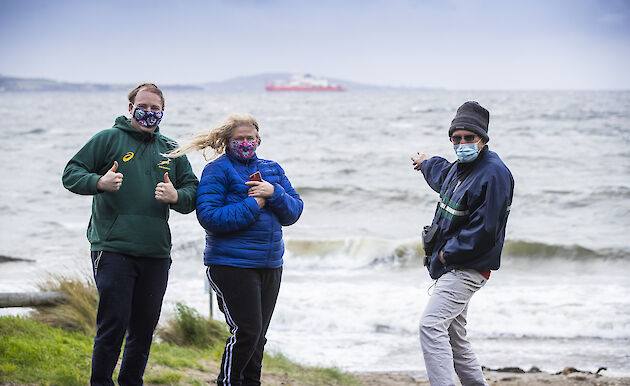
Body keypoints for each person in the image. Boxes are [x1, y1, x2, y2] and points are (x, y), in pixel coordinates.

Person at [62, 83, 199, 386]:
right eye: (143, 106)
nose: (148, 112)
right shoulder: (108, 139)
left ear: (162, 111)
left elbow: (193, 192)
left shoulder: (171, 149)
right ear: (130, 108)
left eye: (154, 108)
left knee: (143, 328)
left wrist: (176, 196)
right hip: (112, 249)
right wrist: (99, 182)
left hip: (155, 252)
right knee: (113, 324)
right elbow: (71, 173)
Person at [167, 113, 303, 386]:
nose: (245, 143)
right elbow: (210, 217)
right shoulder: (217, 170)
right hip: (231, 265)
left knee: (258, 337)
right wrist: (254, 205)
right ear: (227, 141)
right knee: (246, 332)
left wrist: (273, 193)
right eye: (239, 139)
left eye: (250, 138)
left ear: (258, 139)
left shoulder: (272, 169)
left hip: (270, 264)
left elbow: (294, 212)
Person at [411, 101, 514, 386]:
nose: (462, 143)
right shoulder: (462, 167)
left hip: (466, 267)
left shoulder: (494, 174)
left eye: (469, 138)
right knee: (455, 337)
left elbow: (485, 230)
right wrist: (425, 164)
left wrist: (446, 254)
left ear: (483, 139)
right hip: (453, 265)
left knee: (431, 326)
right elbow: (443, 176)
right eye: (456, 139)